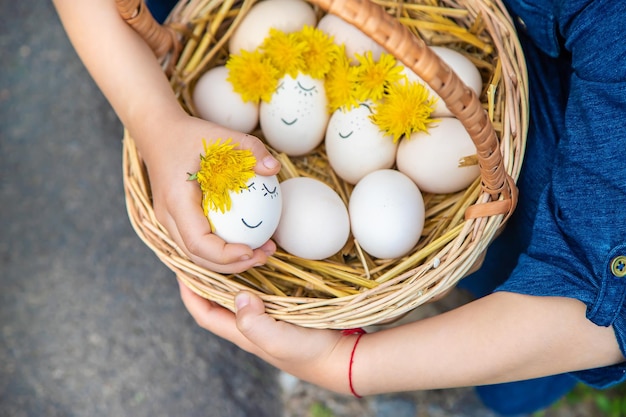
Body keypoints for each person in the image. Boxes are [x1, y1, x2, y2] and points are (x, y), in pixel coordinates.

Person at [53, 0, 626, 415]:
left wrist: (348, 367)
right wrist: (155, 119)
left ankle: (498, 390)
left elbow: (587, 306)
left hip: (553, 119)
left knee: (537, 280)